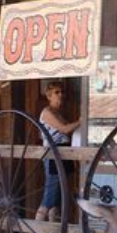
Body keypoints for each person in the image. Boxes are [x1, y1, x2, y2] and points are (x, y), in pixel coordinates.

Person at [37, 82, 79, 222]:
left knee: (58, 197)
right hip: (53, 155)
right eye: (57, 92)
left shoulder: (58, 113)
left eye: (62, 92)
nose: (61, 95)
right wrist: (81, 120)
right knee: (49, 197)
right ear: (49, 96)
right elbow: (65, 129)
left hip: (63, 153)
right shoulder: (47, 113)